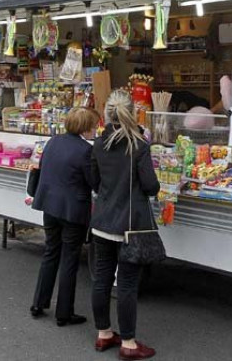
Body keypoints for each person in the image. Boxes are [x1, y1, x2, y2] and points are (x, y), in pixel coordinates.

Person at [89, 90, 160, 360]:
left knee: (102, 278)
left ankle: (104, 333)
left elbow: (94, 182)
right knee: (127, 284)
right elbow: (151, 186)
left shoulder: (98, 144)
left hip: (102, 221)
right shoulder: (139, 146)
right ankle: (128, 342)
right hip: (129, 225)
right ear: (132, 113)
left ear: (107, 113)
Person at [30, 107, 100, 326]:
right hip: (72, 210)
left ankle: (39, 303)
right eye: (92, 126)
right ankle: (64, 312)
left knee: (51, 252)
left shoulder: (53, 142)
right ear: (85, 127)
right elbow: (94, 183)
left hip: (49, 205)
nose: (94, 130)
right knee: (69, 259)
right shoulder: (85, 151)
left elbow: (43, 169)